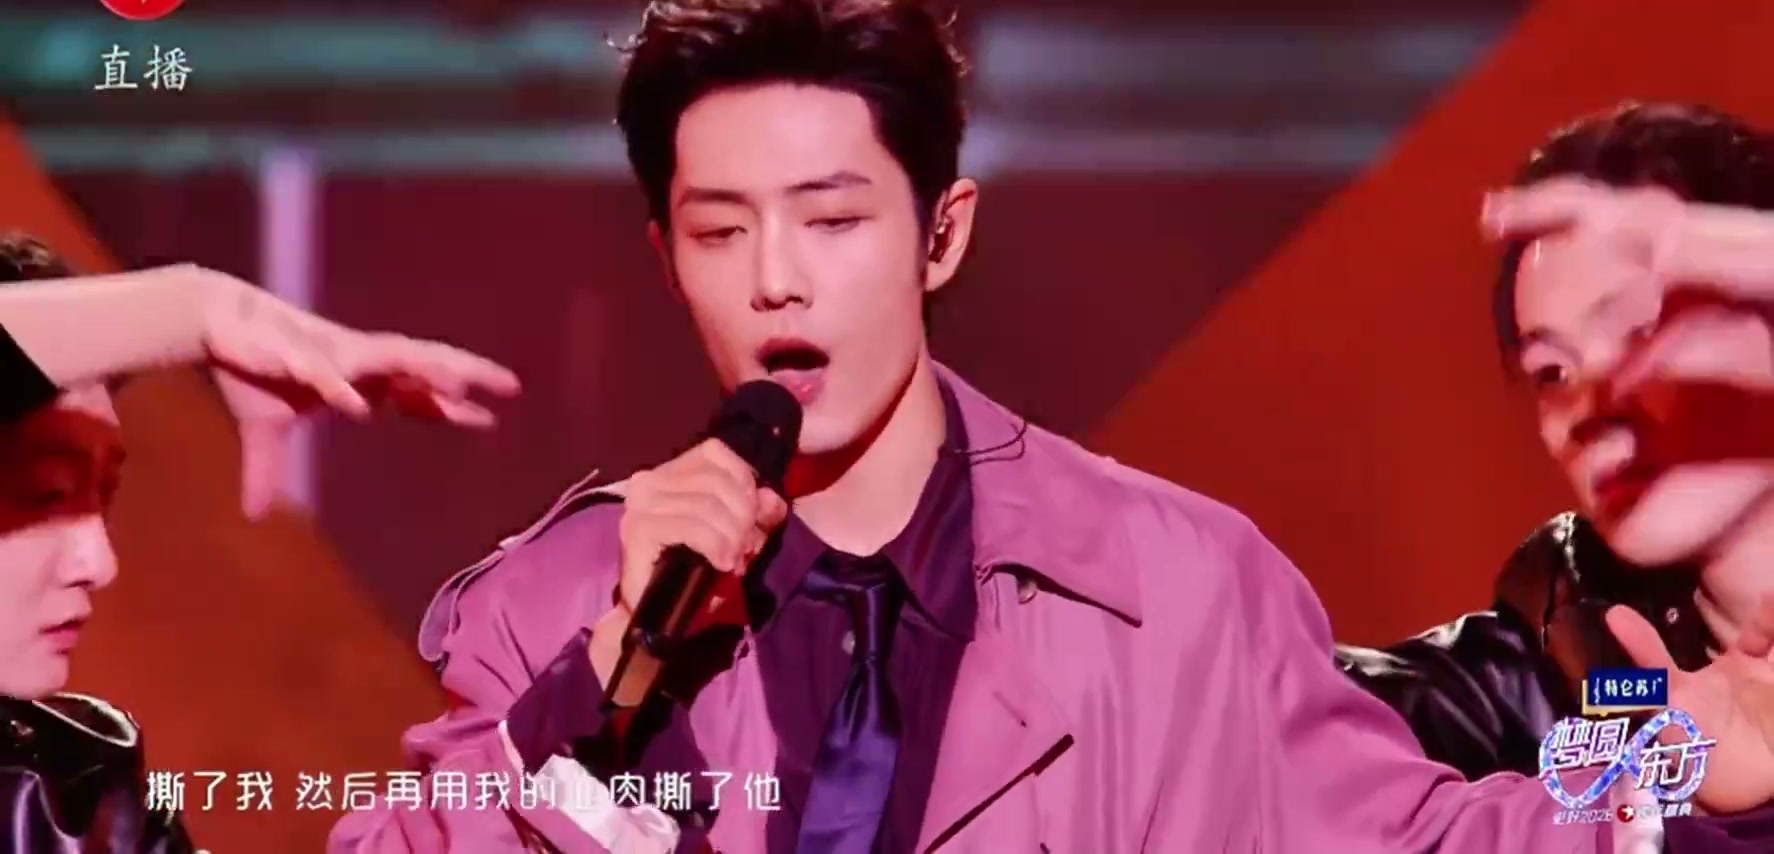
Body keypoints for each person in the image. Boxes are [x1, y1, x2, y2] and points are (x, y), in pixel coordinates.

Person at [331, 6, 1774, 852]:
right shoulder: (554, 609)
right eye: (721, 231)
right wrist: (598, 697)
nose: (775, 278)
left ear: (941, 232)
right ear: (664, 256)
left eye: (831, 220)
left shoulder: (1177, 586)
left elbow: (1413, 838)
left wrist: (1686, 797)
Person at [1338, 103, 1774, 849]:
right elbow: (1272, 708)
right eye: (1554, 371)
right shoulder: (1560, 662)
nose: (1590, 406)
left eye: (1641, 330)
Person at [0, 233, 521, 851]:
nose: (99, 562)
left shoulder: (77, 792)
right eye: (49, 493)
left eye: (104, 497)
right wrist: (195, 309)